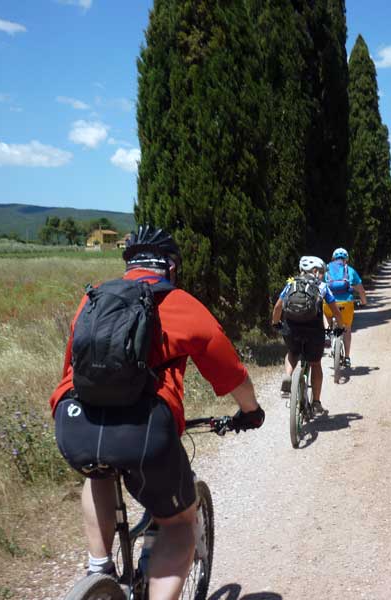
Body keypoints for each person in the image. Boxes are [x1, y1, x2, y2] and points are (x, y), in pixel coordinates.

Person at [49, 225, 265, 600]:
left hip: (75, 425)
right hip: (144, 433)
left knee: (98, 471)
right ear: (171, 267)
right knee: (178, 524)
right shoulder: (181, 304)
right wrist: (251, 412)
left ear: (129, 265)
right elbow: (233, 374)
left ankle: (99, 569)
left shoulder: (94, 299)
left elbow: (71, 370)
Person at [271, 256, 345, 415]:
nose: (322, 275)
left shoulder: (291, 283)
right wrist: (341, 326)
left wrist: (276, 323)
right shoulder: (322, 286)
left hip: (292, 329)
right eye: (322, 272)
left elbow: (278, 307)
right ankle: (316, 402)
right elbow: (335, 310)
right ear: (316, 271)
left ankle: (288, 375)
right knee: (316, 363)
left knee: (292, 352)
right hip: (314, 331)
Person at [323, 247, 368, 369]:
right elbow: (361, 290)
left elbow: (319, 287)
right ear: (346, 259)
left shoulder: (326, 269)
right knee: (347, 329)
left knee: (325, 313)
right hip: (346, 304)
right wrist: (364, 302)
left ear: (333, 258)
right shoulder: (350, 270)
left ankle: (327, 332)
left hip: (329, 303)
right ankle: (347, 357)